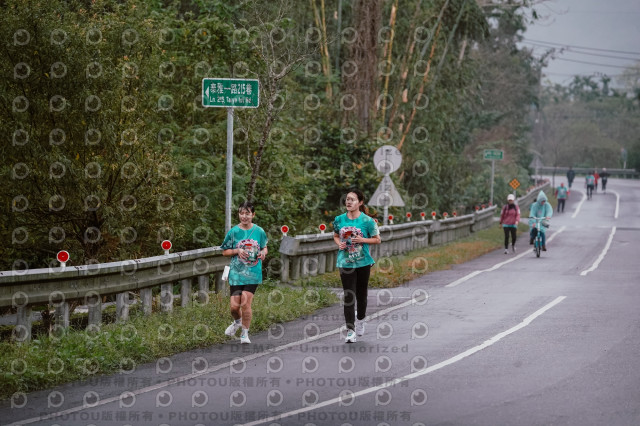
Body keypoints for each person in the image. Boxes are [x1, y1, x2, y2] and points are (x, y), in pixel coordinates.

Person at [333, 189, 381, 343]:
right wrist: (339, 243)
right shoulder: (339, 219)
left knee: (361, 294)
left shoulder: (367, 221)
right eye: (347, 199)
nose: (348, 202)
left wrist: (362, 240)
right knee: (349, 295)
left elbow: (377, 239)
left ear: (360, 203)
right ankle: (350, 330)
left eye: (352, 199)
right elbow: (335, 235)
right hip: (345, 262)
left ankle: (360, 319)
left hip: (363, 262)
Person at [221, 201, 268, 344]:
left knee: (245, 304)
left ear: (253, 215)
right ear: (239, 214)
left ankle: (245, 334)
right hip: (236, 274)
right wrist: (237, 250)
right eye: (242, 213)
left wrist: (263, 253)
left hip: (253, 273)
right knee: (234, 307)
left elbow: (265, 247)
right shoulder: (234, 232)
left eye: (247, 213)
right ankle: (237, 322)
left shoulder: (259, 231)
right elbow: (225, 251)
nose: (244, 216)